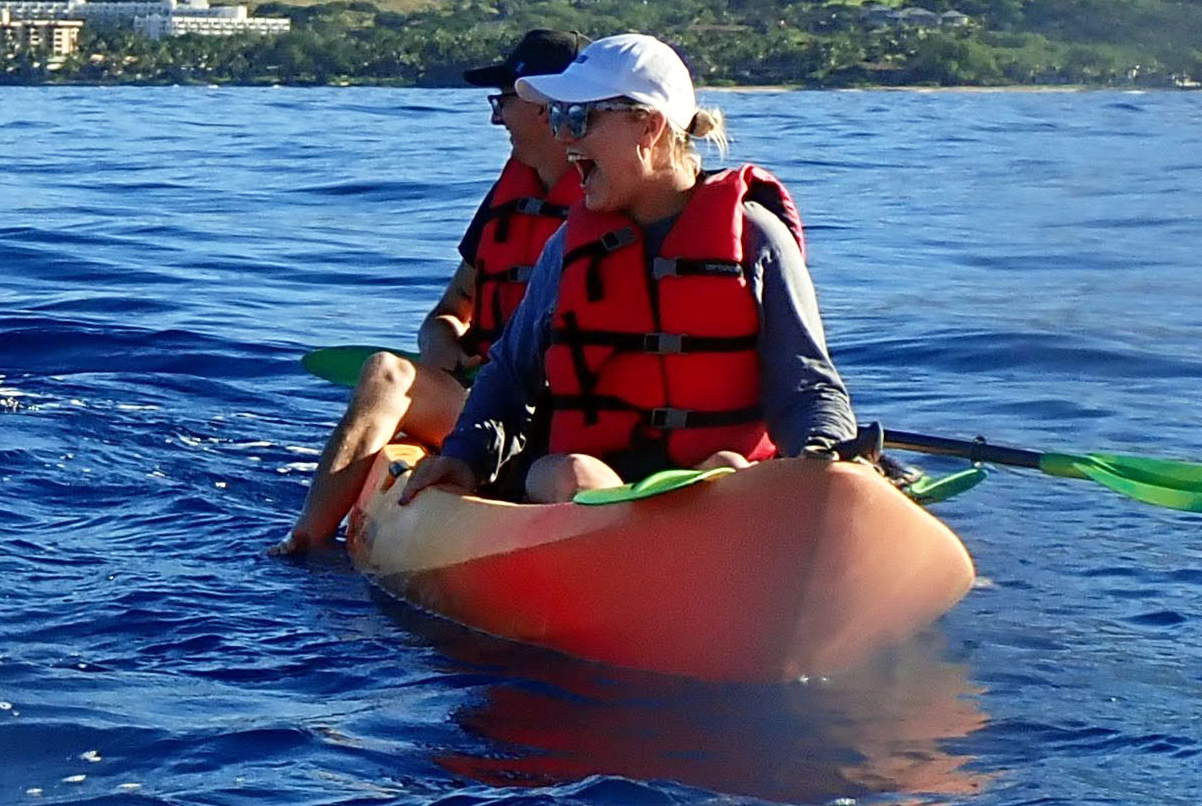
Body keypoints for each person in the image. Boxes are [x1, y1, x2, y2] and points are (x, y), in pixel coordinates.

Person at [399, 32, 856, 509]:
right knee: (569, 470)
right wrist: (465, 456)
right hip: (588, 492)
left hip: (727, 495)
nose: (562, 135)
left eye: (579, 117)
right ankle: (642, 514)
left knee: (727, 464)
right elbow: (510, 379)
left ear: (650, 127)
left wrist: (826, 456)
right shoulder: (569, 247)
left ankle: (694, 504)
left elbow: (808, 389)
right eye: (557, 116)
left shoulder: (756, 240)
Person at [276, 28, 587, 556]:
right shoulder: (510, 193)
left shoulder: (610, 201)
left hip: (566, 424)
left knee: (386, 375)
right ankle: (307, 539)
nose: (494, 118)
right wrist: (442, 342)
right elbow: (451, 308)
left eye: (504, 101)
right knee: (387, 370)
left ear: (542, 106)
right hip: (485, 402)